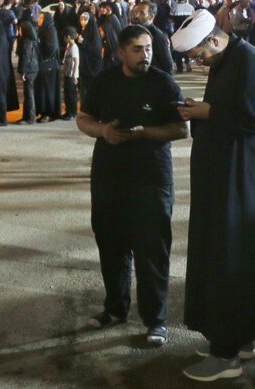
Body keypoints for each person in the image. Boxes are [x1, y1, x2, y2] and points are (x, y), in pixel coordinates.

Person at [171, 9, 255, 382]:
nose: (199, 62)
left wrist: (208, 111)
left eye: (200, 55)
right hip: (226, 178)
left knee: (229, 259)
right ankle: (239, 339)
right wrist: (202, 111)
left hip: (241, 182)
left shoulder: (249, 62)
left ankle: (226, 355)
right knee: (227, 257)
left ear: (215, 40)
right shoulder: (227, 59)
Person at [76, 24, 187, 346]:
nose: (145, 55)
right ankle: (115, 309)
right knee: (111, 246)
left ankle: (156, 320)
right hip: (110, 176)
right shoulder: (105, 81)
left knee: (152, 249)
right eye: (137, 49)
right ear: (121, 53)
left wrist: (145, 133)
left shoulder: (163, 83)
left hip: (152, 178)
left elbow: (181, 130)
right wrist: (103, 131)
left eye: (148, 48)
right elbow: (83, 118)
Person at [17, 20, 41, 124]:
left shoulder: (26, 41)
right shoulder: (33, 39)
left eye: (20, 29)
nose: (19, 31)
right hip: (34, 68)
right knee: (28, 93)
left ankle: (30, 117)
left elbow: (25, 57)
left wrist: (23, 72)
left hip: (29, 70)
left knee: (29, 94)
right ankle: (26, 116)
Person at [62, 28, 81, 120]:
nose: (64, 39)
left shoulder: (74, 47)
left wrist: (74, 75)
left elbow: (76, 61)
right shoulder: (68, 46)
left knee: (71, 94)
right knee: (67, 93)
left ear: (68, 37)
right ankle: (68, 111)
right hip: (67, 73)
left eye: (65, 37)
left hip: (71, 75)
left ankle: (72, 113)